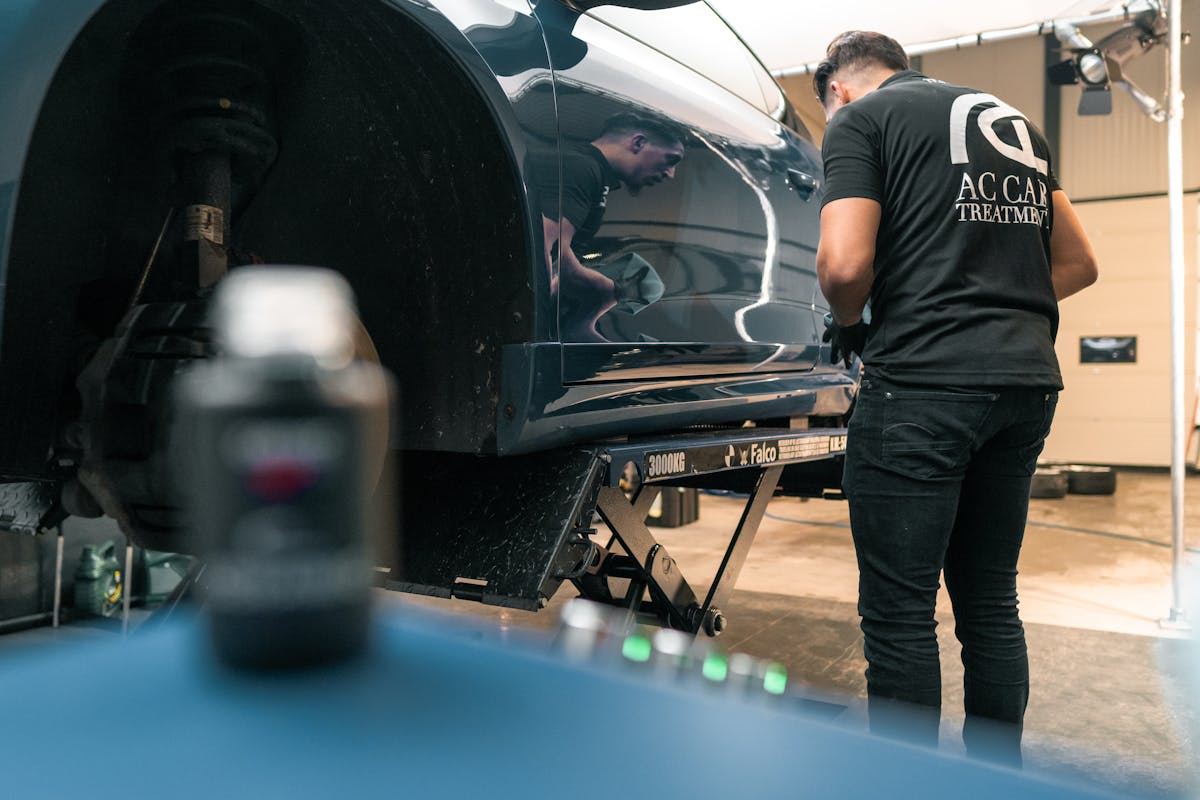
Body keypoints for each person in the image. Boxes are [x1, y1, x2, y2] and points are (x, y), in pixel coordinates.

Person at [813, 31, 1098, 764]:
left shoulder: (858, 120)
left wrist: (858, 325)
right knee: (990, 601)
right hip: (1025, 385)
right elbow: (1078, 262)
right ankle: (995, 778)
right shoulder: (1014, 125)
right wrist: (994, 309)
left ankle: (908, 785)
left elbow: (845, 264)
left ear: (838, 89)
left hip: (923, 388)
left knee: (899, 614)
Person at [532, 112, 684, 342]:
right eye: (671, 160)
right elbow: (546, 254)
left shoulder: (592, 173)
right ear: (639, 142)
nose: (671, 174)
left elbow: (556, 259)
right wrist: (610, 289)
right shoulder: (580, 168)